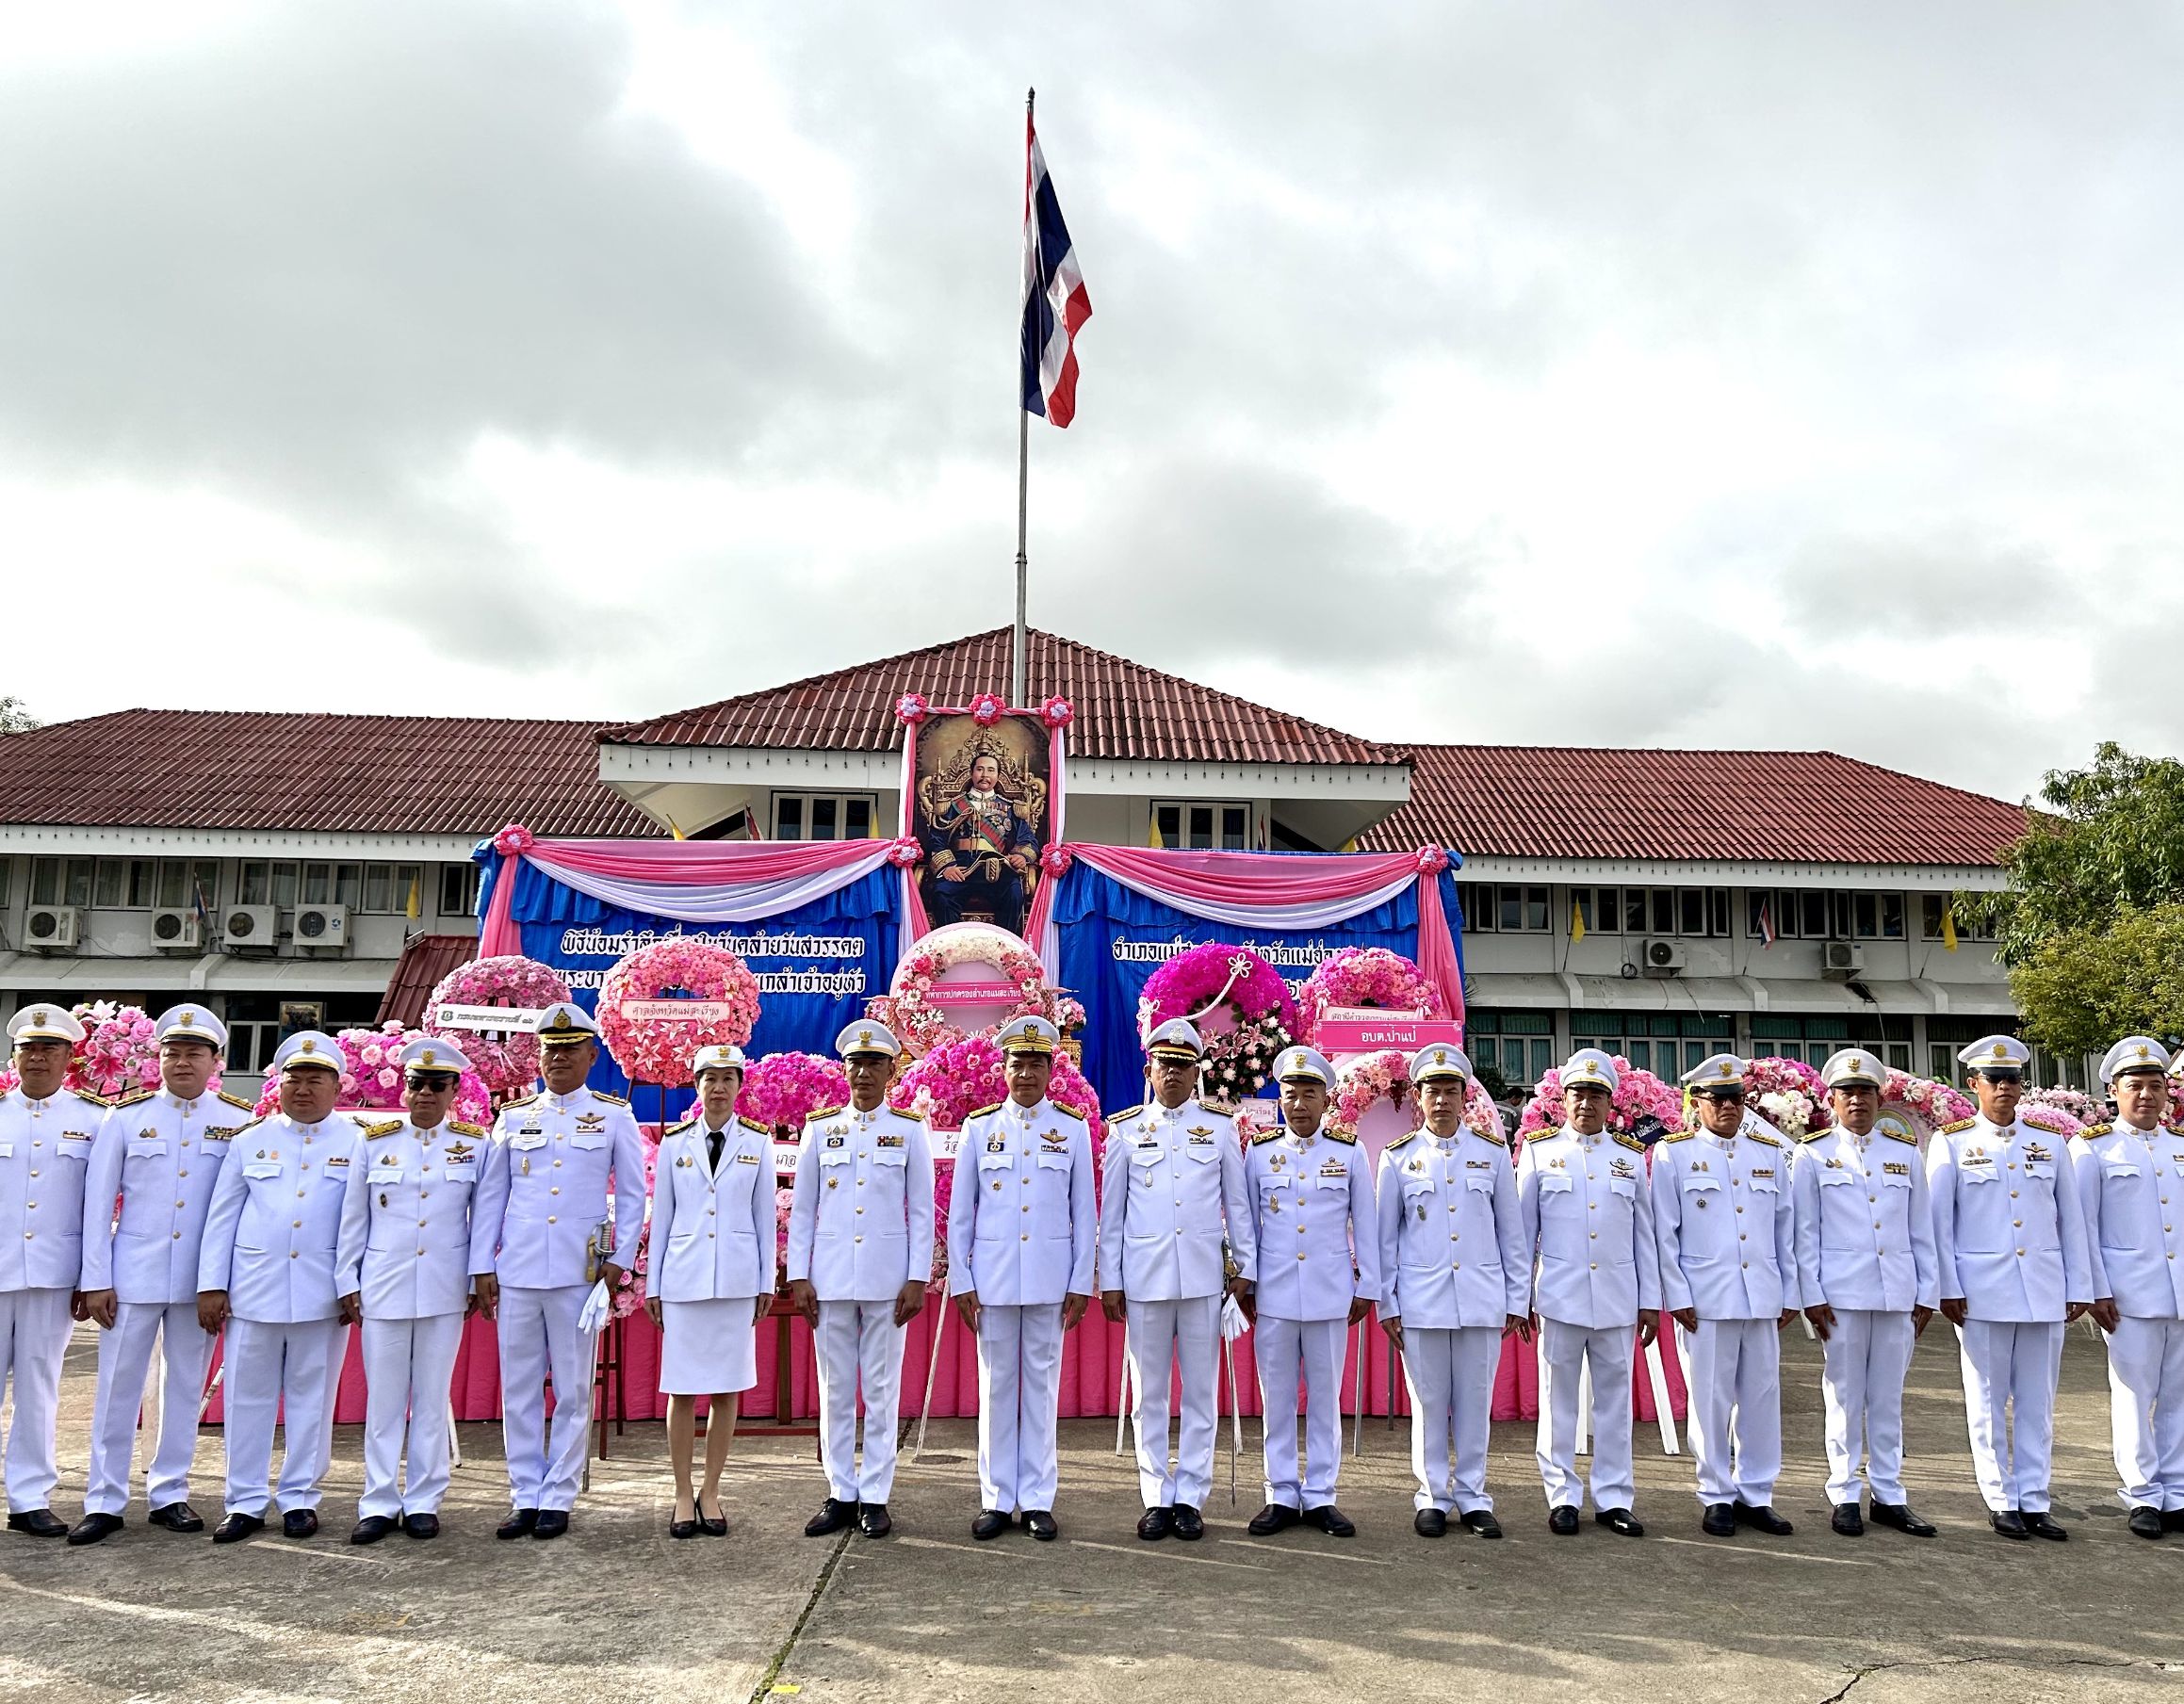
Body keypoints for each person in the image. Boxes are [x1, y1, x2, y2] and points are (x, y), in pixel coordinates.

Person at [71, 1005, 254, 1546]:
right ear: (159, 1058)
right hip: (131, 1275)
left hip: (199, 1281)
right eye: (172, 1052)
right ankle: (104, 1499)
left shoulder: (240, 1123)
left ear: (216, 1061)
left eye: (194, 1053)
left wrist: (220, 1283)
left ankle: (170, 1490)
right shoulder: (125, 1117)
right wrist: (96, 1277)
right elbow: (97, 1201)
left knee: (184, 1386)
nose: (181, 1062)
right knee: (117, 1388)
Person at [470, 1002, 645, 1541]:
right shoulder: (514, 1117)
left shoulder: (615, 1116)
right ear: (538, 1056)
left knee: (572, 1389)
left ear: (592, 1056)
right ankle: (525, 1493)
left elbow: (634, 1195)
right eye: (550, 1050)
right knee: (518, 1387)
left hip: (579, 1273)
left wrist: (617, 1264)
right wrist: (482, 1266)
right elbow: (491, 1197)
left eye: (570, 1050)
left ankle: (559, 1496)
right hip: (519, 1271)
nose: (559, 1059)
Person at [1928, 1033, 2094, 1539]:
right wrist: (1947, 1287)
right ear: (1972, 1084)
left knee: (2037, 1401)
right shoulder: (1952, 1142)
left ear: (2023, 1085)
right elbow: (1939, 1224)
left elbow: (2073, 1221)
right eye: (1993, 1079)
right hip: (1982, 1292)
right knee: (1986, 1399)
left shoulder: (2048, 1142)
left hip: (2043, 1289)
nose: (2003, 1087)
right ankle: (2000, 1497)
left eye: (2012, 1079)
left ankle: (2035, 1498)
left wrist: (2078, 1285)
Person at [197, 1031, 360, 1543]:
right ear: (279, 1085)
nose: (304, 1089)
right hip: (253, 1290)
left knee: (313, 1399)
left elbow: (363, 1223)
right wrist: (211, 1285)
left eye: (316, 1080)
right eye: (295, 1079)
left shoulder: (357, 1142)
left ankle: (300, 1499)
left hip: (322, 1294)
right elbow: (221, 1217)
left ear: (338, 1087)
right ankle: (244, 1501)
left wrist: (350, 1284)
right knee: (248, 1398)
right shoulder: (251, 1140)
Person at [1099, 1019, 1256, 1541]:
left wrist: (1242, 1269)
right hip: (1144, 1278)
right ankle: (1155, 1497)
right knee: (1149, 1397)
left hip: (1204, 1280)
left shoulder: (1220, 1128)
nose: (1173, 1074)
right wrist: (1110, 1278)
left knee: (1199, 1394)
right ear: (1150, 1069)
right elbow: (1113, 1213)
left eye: (1183, 1066)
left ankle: (1190, 1496)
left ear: (1197, 1074)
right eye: (1165, 1065)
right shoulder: (1124, 1130)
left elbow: (1237, 1205)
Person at [946, 1016, 1096, 1541]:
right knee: (996, 1387)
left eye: (1036, 1064)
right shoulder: (979, 1128)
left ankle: (1036, 1499)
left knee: (1040, 1388)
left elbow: (1085, 1212)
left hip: (1051, 1280)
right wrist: (961, 1280)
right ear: (1003, 1069)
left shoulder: (1072, 1129)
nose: (1026, 1073)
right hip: (993, 1281)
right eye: (1017, 1063)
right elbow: (960, 1213)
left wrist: (1082, 1282)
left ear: (1052, 1070)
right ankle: (995, 1498)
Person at [334, 1036, 488, 1543]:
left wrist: (474, 1277)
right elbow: (353, 1217)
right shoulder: (373, 1141)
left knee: (429, 1397)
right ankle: (378, 1501)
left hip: (444, 1288)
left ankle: (423, 1499)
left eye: (436, 1085)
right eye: (416, 1084)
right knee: (384, 1399)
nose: (425, 1093)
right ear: (405, 1087)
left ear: (454, 1091)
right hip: (383, 1284)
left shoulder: (474, 1144)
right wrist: (346, 1278)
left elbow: (482, 1221)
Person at [786, 1021, 934, 1540]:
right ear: (844, 1069)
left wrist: (918, 1277)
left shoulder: (911, 1130)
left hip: (888, 1281)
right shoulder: (820, 1129)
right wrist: (798, 1274)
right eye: (856, 1064)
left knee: (880, 1386)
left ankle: (874, 1494)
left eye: (875, 1064)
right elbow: (803, 1210)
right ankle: (839, 1492)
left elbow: (921, 1211)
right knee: (835, 1389)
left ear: (892, 1071)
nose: (864, 1073)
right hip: (828, 1279)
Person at [1375, 1044, 1524, 1539]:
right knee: (1430, 1402)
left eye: (1450, 1090)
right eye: (1432, 1091)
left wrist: (1516, 1299)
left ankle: (1475, 1496)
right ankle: (1433, 1496)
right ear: (1419, 1098)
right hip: (1422, 1301)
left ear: (1465, 1097)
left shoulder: (1491, 1153)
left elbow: (1513, 1235)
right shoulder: (1398, 1159)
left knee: (1475, 1402)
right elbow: (1385, 1238)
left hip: (1482, 1299)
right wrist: (1388, 1303)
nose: (1441, 1100)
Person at [1792, 1047, 1939, 1538]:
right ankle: (1843, 1492)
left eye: (1866, 1093)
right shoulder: (1811, 1155)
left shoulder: (1903, 1154)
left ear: (1880, 1099)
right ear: (1831, 1100)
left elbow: (1922, 1231)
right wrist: (1811, 1294)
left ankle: (1890, 1493)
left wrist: (1926, 1293)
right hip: (1841, 1297)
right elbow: (1805, 1233)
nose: (1857, 1101)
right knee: (1844, 1395)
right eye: (1848, 1093)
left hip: (1897, 1293)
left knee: (1888, 1398)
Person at [1515, 1048, 1659, 1537]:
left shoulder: (1630, 1158)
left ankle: (1615, 1497)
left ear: (1610, 1103)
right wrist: (1521, 1300)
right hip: (1559, 1295)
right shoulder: (1538, 1152)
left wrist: (1650, 1302)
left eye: (1597, 1095)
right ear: (1564, 1098)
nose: (1587, 1103)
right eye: (1579, 1093)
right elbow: (1521, 1235)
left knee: (1615, 1403)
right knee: (1559, 1401)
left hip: (1617, 1298)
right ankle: (1562, 1497)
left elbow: (1646, 1236)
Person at [1654, 1054, 1799, 1537]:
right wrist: (1677, 1295)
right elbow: (1664, 1234)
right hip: (1705, 1299)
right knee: (1710, 1400)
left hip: (1760, 1295)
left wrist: (1789, 1294)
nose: (1727, 1107)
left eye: (1735, 1098)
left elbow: (1785, 1232)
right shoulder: (1673, 1155)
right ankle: (1716, 1492)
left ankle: (1757, 1492)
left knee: (1761, 1397)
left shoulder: (1768, 1154)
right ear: (1697, 1103)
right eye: (1716, 1099)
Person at [1244, 1046, 1377, 1538]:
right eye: (1290, 1094)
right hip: (1274, 1295)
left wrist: (1368, 1285)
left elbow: (1366, 1223)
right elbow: (1247, 1226)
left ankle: (1321, 1494)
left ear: (1326, 1100)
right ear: (1280, 1099)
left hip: (1329, 1294)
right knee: (1275, 1399)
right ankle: (1279, 1492)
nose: (1299, 1104)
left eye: (1309, 1094)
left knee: (1325, 1398)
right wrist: (1246, 1278)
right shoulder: (1258, 1154)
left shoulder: (1348, 1153)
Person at [646, 1044, 774, 1539]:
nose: (718, 1088)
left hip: (736, 1282)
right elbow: (662, 1221)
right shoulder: (675, 1143)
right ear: (696, 1085)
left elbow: (764, 1218)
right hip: (684, 1281)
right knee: (680, 1391)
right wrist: (654, 1285)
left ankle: (712, 1489)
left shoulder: (757, 1143)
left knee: (726, 1391)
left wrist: (765, 1281)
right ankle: (682, 1490)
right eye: (709, 1078)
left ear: (740, 1087)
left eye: (727, 1079)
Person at [0, 1007, 105, 1537]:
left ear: (69, 1058)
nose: (37, 1057)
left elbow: (98, 1205)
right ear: (14, 1055)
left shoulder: (94, 1119)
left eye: (50, 1050)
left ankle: (28, 1498)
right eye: (28, 1048)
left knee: (39, 1389)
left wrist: (91, 1277)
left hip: (53, 1276)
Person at [2076, 1037, 2184, 1540]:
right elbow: (2082, 1227)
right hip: (2128, 1296)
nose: (2146, 1095)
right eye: (2134, 1085)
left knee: (2180, 1397)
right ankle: (2142, 1493)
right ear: (2113, 1090)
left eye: (2155, 1085)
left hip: (2180, 1293)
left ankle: (2177, 1492)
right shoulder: (2094, 1149)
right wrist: (2095, 1289)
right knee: (2135, 1396)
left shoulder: (2180, 1148)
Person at [921, 750, 1038, 933]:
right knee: (941, 894)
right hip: (961, 870)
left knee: (1014, 892)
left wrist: (1021, 857)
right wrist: (947, 867)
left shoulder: (1010, 808)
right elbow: (936, 840)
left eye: (991, 770)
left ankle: (1006, 950)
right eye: (980, 769)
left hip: (998, 870)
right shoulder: (952, 807)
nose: (985, 775)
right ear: (971, 773)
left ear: (998, 776)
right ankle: (950, 949)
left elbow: (1028, 840)